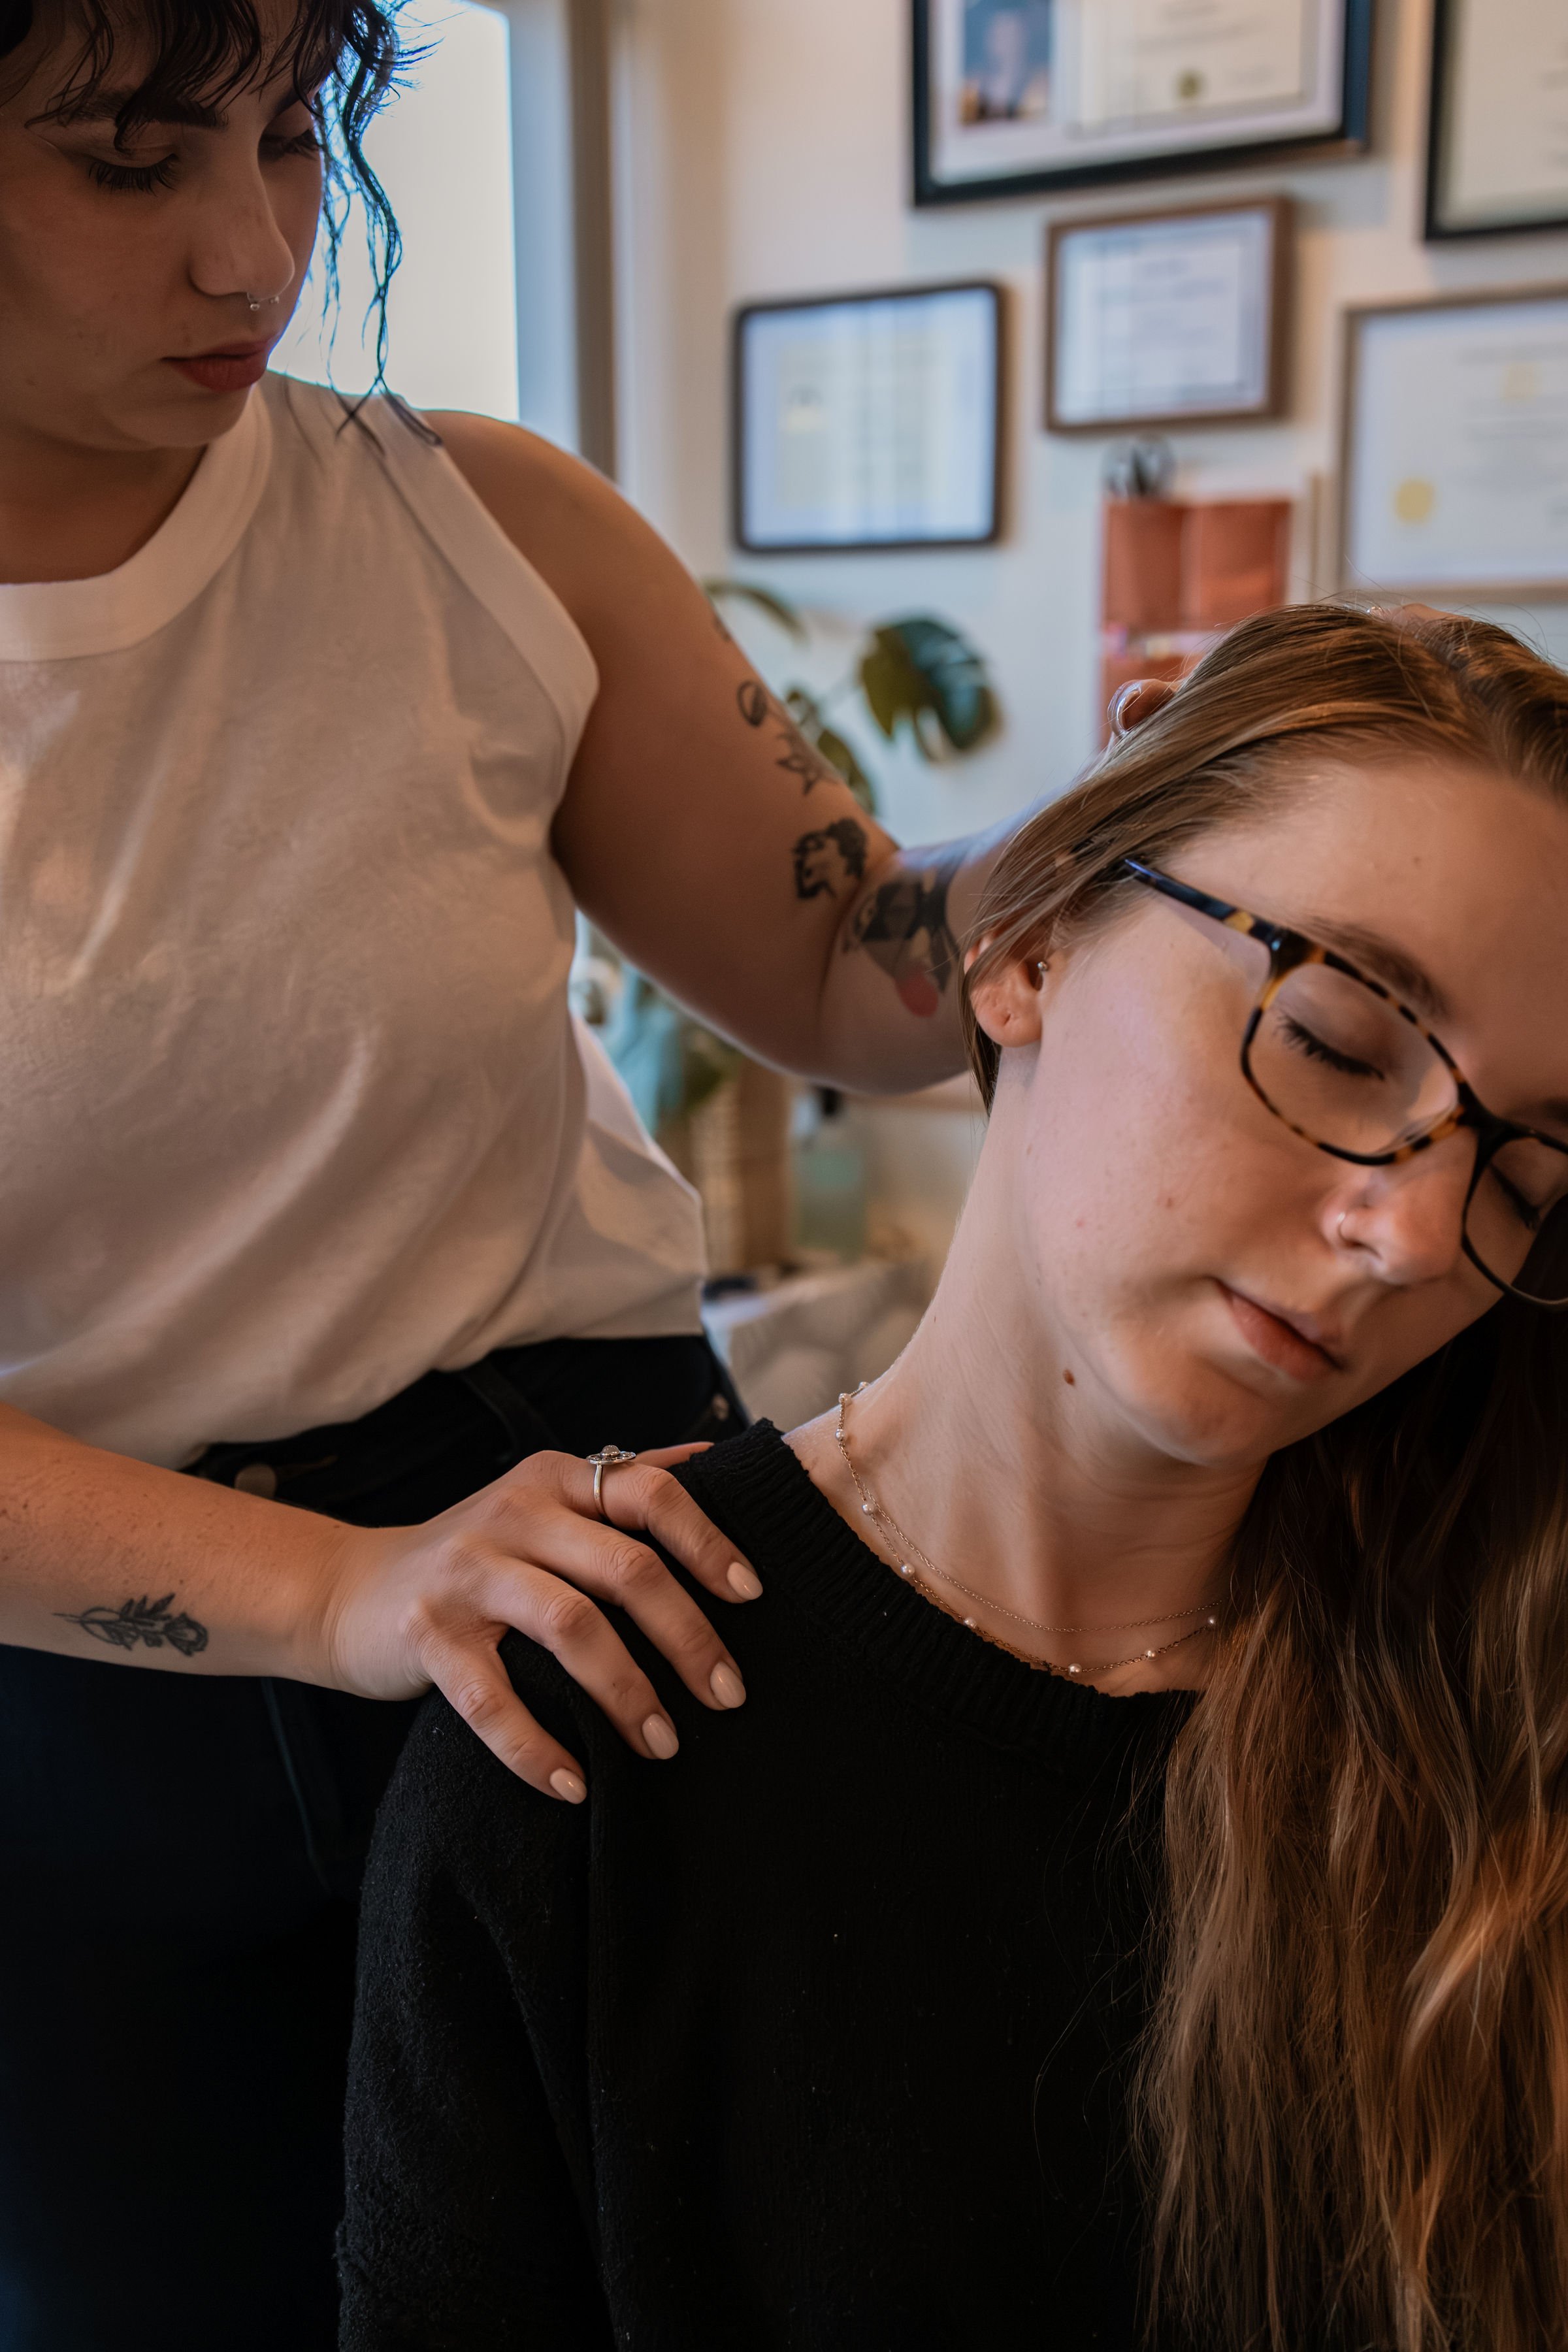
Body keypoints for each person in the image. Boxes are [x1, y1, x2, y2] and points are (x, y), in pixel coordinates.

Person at [0, 5, 1028, 2344]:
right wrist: (347, 1596)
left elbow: (869, 982)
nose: (251, 249)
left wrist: (1155, 848)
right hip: (82, 1654)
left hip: (599, 1569)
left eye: (286, 135)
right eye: (132, 163)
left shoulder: (470, 526)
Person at [341, 605, 1568, 2352]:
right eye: (1342, 1039)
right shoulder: (602, 1693)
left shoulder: (1489, 1719)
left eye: (1524, 1173)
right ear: (1033, 942)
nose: (1411, 1232)